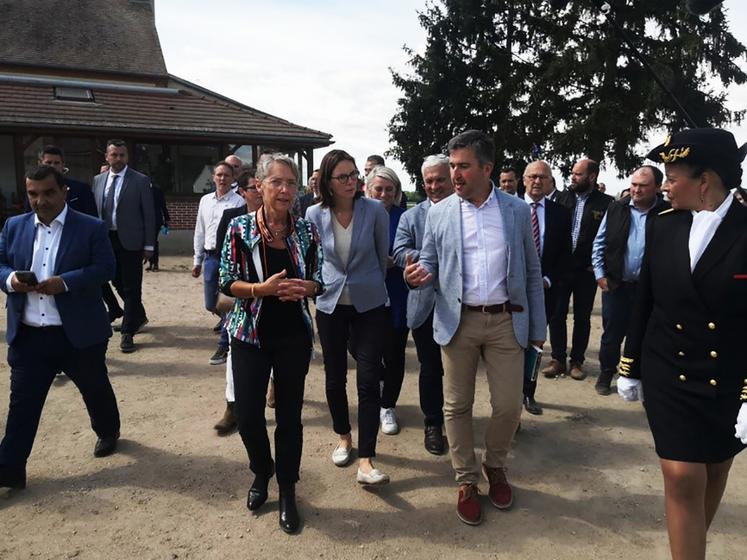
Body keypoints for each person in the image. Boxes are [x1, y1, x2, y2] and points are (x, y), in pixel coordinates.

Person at [617, 128, 747, 560]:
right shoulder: (664, 225)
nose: (665, 186)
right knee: (681, 475)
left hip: (728, 374)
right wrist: (629, 363)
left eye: (673, 177)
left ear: (705, 180)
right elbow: (645, 299)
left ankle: (690, 546)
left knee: (714, 468)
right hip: (668, 368)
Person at [405, 130, 545, 526]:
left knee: (508, 405)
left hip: (506, 320)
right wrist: (419, 274)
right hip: (457, 319)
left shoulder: (517, 211)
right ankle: (466, 478)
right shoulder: (440, 211)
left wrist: (538, 326)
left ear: (487, 168)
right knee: (456, 405)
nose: (455, 174)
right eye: (452, 166)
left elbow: (532, 271)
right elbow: (429, 260)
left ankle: (495, 465)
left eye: (463, 166)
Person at [219, 153, 323, 534]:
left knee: (289, 420)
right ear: (259, 185)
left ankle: (288, 490)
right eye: (276, 182)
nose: (284, 190)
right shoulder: (239, 228)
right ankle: (262, 472)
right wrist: (260, 290)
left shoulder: (307, 231)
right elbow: (225, 281)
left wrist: (308, 287)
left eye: (291, 183)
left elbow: (321, 276)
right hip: (250, 333)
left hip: (293, 335)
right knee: (247, 417)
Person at [0, 165, 120, 489]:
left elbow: (106, 267)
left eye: (48, 192)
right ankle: (9, 471)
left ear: (64, 191)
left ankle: (108, 431)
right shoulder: (14, 226)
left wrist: (65, 283)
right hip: (29, 336)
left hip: (78, 336)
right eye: (33, 194)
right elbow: (1, 264)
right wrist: (11, 280)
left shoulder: (91, 227)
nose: (41, 201)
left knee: (96, 391)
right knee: (22, 407)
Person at [305, 149, 391, 486]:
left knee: (368, 378)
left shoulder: (375, 211)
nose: (352, 181)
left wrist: (369, 286)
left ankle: (367, 459)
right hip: (330, 304)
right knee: (334, 376)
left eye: (354, 175)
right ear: (327, 182)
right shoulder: (314, 214)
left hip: (369, 303)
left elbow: (382, 255)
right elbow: (312, 258)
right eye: (343, 177)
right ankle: (344, 436)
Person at [393, 154, 454, 454]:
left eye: (440, 179)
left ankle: (459, 423)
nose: (434, 186)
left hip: (462, 305)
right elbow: (399, 251)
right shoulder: (411, 217)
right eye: (428, 181)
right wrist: (431, 257)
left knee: (460, 369)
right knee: (430, 367)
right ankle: (433, 423)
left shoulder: (465, 212)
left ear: (452, 178)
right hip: (425, 305)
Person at [591, 166, 669, 395]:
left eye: (643, 186)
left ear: (657, 187)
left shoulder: (668, 212)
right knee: (612, 335)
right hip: (617, 285)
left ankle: (638, 374)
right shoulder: (617, 208)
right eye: (634, 184)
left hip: (651, 289)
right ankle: (606, 373)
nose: (636, 189)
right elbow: (600, 242)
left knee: (645, 334)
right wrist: (600, 275)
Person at [544, 159, 613, 379]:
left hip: (586, 271)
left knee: (582, 318)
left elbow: (612, 237)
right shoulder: (561, 199)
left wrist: (601, 264)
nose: (573, 177)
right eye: (572, 173)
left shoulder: (607, 204)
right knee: (557, 314)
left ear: (591, 177)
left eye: (578, 174)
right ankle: (557, 359)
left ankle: (577, 361)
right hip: (561, 269)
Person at [93, 139, 156, 354]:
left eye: (122, 155)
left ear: (127, 157)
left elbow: (149, 215)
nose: (118, 159)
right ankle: (137, 315)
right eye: (114, 155)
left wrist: (149, 245)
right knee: (112, 280)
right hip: (105, 239)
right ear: (107, 157)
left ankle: (128, 332)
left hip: (131, 241)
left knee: (131, 286)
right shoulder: (98, 180)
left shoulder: (139, 180)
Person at [212, 170, 263, 436]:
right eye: (254, 187)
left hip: (274, 302)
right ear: (242, 191)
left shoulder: (286, 220)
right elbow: (224, 262)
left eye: (261, 186)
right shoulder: (232, 219)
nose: (259, 191)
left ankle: (273, 384)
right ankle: (233, 406)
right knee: (235, 352)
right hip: (242, 301)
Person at [522, 161, 572, 415]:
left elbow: (565, 254)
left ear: (551, 181)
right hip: (512, 292)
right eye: (532, 176)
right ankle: (510, 399)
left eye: (543, 177)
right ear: (524, 180)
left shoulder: (560, 214)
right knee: (511, 345)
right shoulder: (509, 209)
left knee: (536, 344)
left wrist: (548, 280)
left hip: (545, 290)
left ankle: (529, 393)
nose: (537, 181)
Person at [365, 165, 408, 436]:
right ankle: (375, 391)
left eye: (389, 189)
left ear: (397, 192)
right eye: (378, 189)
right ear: (367, 190)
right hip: (364, 296)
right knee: (361, 350)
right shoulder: (358, 216)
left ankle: (387, 405)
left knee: (394, 354)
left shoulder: (405, 218)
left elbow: (417, 251)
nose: (383, 194)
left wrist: (398, 260)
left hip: (397, 293)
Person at [192, 161, 245, 365]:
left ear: (232, 179)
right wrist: (197, 259)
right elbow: (200, 230)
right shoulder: (205, 201)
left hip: (228, 257)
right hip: (210, 256)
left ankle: (224, 343)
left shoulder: (238, 202)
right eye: (219, 175)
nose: (222, 179)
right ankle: (230, 326)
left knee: (228, 301)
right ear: (213, 177)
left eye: (226, 175)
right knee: (210, 303)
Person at [25, 145, 97, 217]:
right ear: (40, 164)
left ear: (63, 164)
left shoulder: (81, 189)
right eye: (48, 163)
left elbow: (93, 218)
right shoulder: (33, 189)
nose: (52, 166)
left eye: (56, 163)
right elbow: (28, 217)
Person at [146, 182, 170, 272]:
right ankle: (150, 262)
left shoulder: (156, 190)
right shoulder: (141, 188)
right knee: (147, 241)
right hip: (144, 220)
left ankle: (155, 263)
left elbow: (162, 204)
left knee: (153, 241)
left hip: (155, 220)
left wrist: (166, 218)